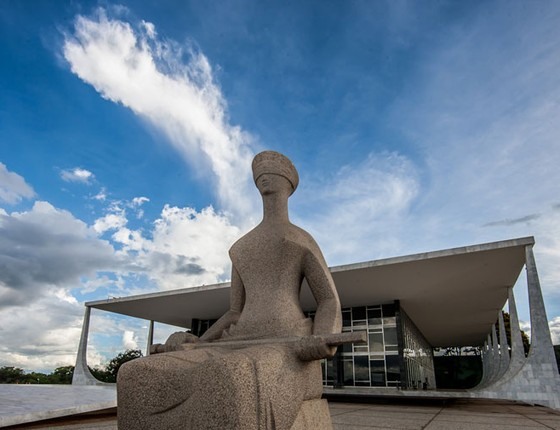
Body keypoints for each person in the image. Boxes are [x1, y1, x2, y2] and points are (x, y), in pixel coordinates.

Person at [118, 151, 342, 430]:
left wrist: (321, 338)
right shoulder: (241, 248)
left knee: (228, 375)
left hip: (287, 344)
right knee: (137, 374)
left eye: (272, 170)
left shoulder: (300, 240)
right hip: (236, 341)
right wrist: (199, 342)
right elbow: (235, 312)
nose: (264, 175)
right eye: (259, 172)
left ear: (289, 183)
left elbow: (329, 300)